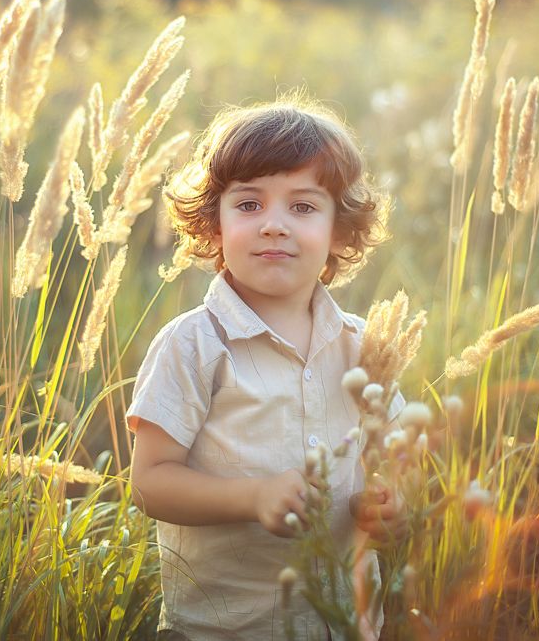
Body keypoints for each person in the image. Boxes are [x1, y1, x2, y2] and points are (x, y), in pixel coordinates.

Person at [127, 95, 405, 640]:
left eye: (302, 208)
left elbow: (394, 458)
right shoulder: (194, 345)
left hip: (347, 623)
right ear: (213, 223)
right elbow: (149, 483)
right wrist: (253, 498)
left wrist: (391, 503)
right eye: (249, 205)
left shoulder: (366, 346)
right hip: (224, 627)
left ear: (339, 231)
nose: (274, 225)